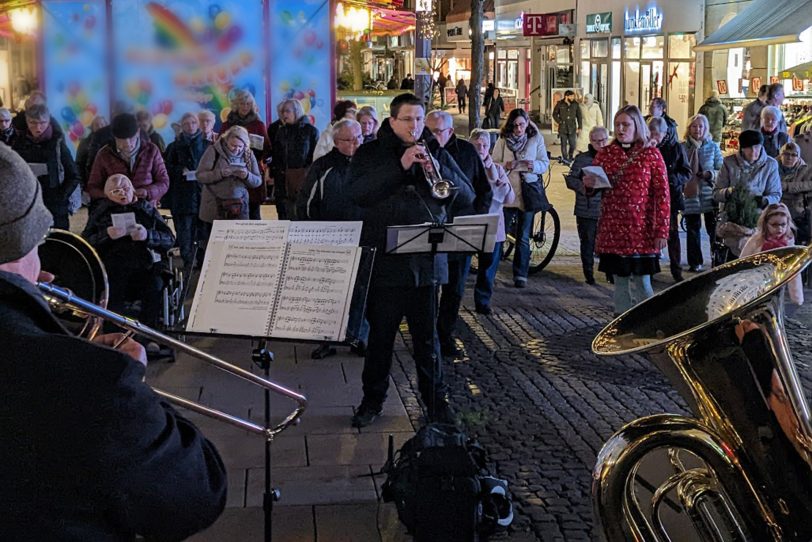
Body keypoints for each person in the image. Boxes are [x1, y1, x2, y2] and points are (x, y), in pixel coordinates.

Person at [0, 145, 226, 539]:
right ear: (24, 244)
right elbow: (196, 493)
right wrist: (127, 383)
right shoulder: (91, 382)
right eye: (39, 246)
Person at [345, 93, 475, 428]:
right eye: (408, 119)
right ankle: (371, 400)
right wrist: (400, 167)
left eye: (419, 119)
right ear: (392, 121)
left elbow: (466, 195)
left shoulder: (434, 150)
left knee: (427, 341)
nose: (415, 126)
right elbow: (357, 194)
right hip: (387, 265)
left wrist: (436, 166)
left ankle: (435, 403)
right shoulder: (372, 152)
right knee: (381, 340)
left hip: (427, 267)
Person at [585, 105, 669, 316]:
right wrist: (589, 184)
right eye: (617, 125)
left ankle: (649, 322)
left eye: (626, 124)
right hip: (614, 229)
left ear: (637, 125)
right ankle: (621, 322)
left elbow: (663, 195)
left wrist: (662, 230)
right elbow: (593, 188)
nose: (621, 129)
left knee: (642, 281)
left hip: (642, 230)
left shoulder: (651, 154)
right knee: (620, 281)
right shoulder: (606, 154)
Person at [296, 118, 368, 358]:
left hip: (363, 235)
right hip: (330, 238)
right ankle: (325, 339)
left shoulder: (370, 164)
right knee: (328, 292)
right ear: (337, 142)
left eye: (359, 138)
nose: (356, 144)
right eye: (349, 140)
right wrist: (312, 235)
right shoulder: (323, 166)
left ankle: (357, 336)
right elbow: (306, 204)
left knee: (360, 290)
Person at [425, 110, 492, 359]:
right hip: (431, 231)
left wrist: (476, 219)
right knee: (429, 289)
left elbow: (484, 191)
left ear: (450, 132)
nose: (431, 136)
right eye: (427, 130)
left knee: (454, 290)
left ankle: (445, 335)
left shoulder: (466, 151)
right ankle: (427, 337)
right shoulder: (422, 152)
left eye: (437, 132)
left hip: (460, 230)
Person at [82, 174, 175, 328]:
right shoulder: (100, 212)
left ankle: (149, 335)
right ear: (107, 194)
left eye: (125, 189)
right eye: (115, 190)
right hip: (112, 266)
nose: (122, 193)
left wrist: (147, 235)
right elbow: (85, 242)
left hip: (146, 264)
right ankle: (113, 332)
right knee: (110, 287)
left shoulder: (146, 210)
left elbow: (169, 239)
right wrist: (106, 235)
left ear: (133, 189)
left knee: (155, 286)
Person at [491, 108, 550, 288]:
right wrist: (505, 165)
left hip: (528, 191)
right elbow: (493, 162)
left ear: (527, 124)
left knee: (523, 236)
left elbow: (544, 163)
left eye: (521, 125)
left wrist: (533, 166)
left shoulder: (536, 138)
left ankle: (520, 274)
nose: (518, 129)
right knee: (500, 234)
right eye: (515, 125)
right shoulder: (503, 139)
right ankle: (492, 271)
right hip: (508, 190)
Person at [714, 130, 782, 259]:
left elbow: (776, 194)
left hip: (758, 219)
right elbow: (716, 193)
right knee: (733, 259)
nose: (753, 152)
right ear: (742, 149)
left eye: (757, 147)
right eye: (749, 148)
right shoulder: (729, 162)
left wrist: (764, 200)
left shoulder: (770, 164)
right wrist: (730, 192)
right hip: (733, 219)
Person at [11, 104, 79, 230]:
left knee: (57, 242)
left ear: (49, 121)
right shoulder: (18, 143)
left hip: (55, 206)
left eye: (42, 122)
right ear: (27, 121)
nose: (38, 127)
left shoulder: (58, 144)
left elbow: (74, 175)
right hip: (29, 204)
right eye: (33, 123)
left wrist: (60, 196)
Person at [469, 128, 516, 313]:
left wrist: (504, 187)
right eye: (477, 145)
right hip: (470, 224)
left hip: (493, 227)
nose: (481, 148)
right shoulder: (467, 167)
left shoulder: (497, 169)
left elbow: (510, 199)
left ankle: (483, 301)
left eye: (484, 145)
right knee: (463, 266)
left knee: (488, 267)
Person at [86, 112, 169, 208]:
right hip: (115, 211)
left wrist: (147, 192)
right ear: (114, 137)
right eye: (121, 140)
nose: (127, 144)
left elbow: (164, 182)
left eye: (131, 138)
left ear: (138, 132)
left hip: (146, 210)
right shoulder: (104, 154)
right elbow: (93, 187)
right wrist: (109, 195)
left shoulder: (151, 151)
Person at [164, 112, 211, 268]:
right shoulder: (173, 147)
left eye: (193, 122)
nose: (190, 126)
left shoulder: (207, 145)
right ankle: (188, 264)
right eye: (186, 124)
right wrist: (179, 170)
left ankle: (203, 264)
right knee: (185, 234)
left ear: (197, 124)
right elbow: (166, 168)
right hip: (182, 197)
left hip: (203, 195)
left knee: (204, 233)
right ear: (181, 126)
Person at [565, 126, 610, 284]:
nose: (601, 144)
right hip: (587, 209)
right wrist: (582, 185)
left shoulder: (613, 158)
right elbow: (571, 179)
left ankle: (609, 273)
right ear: (591, 141)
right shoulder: (582, 159)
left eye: (603, 140)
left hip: (608, 209)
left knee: (608, 243)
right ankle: (589, 273)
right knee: (588, 242)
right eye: (597, 141)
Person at [649, 116, 691, 282]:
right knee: (650, 233)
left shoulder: (676, 148)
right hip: (650, 199)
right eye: (650, 134)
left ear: (664, 133)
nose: (653, 139)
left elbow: (686, 172)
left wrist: (672, 179)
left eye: (656, 135)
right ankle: (651, 267)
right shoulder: (646, 148)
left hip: (670, 198)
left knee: (672, 234)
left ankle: (676, 269)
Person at [196, 125, 262, 226]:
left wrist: (247, 176)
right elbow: (200, 175)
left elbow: (257, 181)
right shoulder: (213, 151)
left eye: (240, 146)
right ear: (226, 141)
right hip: (214, 207)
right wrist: (220, 173)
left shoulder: (248, 154)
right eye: (233, 145)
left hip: (239, 208)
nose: (237, 149)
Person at [220, 89, 271, 220]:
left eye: (248, 104)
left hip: (252, 170)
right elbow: (218, 148)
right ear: (236, 105)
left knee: (254, 211)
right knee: (233, 211)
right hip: (231, 172)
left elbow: (267, 149)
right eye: (242, 103)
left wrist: (259, 154)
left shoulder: (259, 124)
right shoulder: (227, 124)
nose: (245, 107)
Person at [681, 114, 723, 273]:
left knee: (713, 230)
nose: (697, 129)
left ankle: (716, 260)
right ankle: (695, 262)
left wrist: (710, 174)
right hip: (690, 194)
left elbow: (721, 169)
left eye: (701, 126)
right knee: (692, 229)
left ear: (706, 129)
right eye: (694, 126)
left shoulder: (713, 147)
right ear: (689, 128)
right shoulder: (683, 147)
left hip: (709, 194)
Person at [740, 203, 803, 304]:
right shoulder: (756, 240)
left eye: (783, 224)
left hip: (778, 279)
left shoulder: (788, 240)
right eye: (774, 225)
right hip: (757, 281)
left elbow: (793, 267)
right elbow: (742, 261)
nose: (779, 229)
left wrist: (796, 296)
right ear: (765, 224)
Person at [271, 98, 319, 219]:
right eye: (282, 112)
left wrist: (307, 173)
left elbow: (314, 156)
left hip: (303, 178)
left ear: (297, 111)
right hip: (283, 180)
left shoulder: (311, 131)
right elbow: (276, 155)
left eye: (287, 111)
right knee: (283, 214)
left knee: (301, 214)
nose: (284, 114)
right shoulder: (281, 131)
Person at [777, 141, 811, 245]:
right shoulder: (772, 165)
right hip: (776, 207)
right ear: (781, 154)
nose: (789, 158)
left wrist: (788, 187)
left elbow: (809, 185)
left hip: (796, 211)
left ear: (798, 157)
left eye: (793, 155)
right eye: (786, 154)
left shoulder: (805, 168)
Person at [75, 115, 108, 190]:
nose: (100, 127)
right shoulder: (85, 143)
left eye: (102, 124)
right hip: (91, 180)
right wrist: (82, 185)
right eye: (97, 125)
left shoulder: (113, 141)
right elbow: (79, 164)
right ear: (92, 127)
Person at [553, 90, 582, 163]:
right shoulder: (560, 104)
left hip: (572, 127)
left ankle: (570, 155)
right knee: (563, 144)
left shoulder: (575, 104)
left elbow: (579, 116)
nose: (572, 97)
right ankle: (565, 159)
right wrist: (559, 121)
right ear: (566, 96)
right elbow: (555, 114)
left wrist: (580, 127)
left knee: (573, 144)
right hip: (563, 127)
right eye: (571, 96)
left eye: (573, 96)